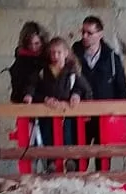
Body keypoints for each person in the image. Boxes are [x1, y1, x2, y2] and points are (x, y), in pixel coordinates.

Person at [74, 15, 126, 170]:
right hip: (80, 115)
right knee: (78, 159)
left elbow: (122, 88)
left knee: (103, 161)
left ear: (100, 34)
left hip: (104, 117)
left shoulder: (112, 58)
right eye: (83, 32)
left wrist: (115, 114)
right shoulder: (73, 55)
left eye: (89, 33)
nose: (85, 36)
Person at [32, 36, 90, 172]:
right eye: (52, 53)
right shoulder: (43, 72)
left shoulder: (72, 72)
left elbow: (85, 88)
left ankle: (69, 160)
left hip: (67, 112)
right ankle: (51, 162)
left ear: (66, 53)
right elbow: (34, 90)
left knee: (68, 135)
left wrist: (76, 95)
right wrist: (45, 99)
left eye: (59, 52)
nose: (55, 56)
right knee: (48, 135)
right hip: (47, 113)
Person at [6, 21, 45, 105]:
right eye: (30, 44)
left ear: (42, 41)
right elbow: (18, 87)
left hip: (46, 102)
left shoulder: (48, 57)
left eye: (37, 43)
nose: (33, 47)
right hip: (24, 102)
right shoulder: (21, 61)